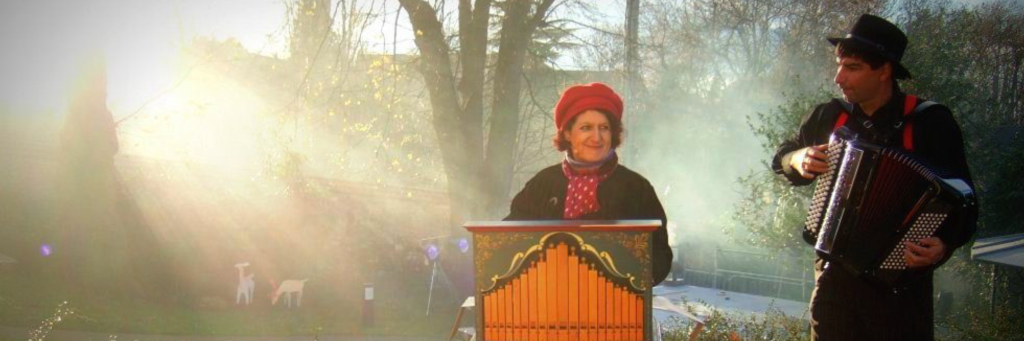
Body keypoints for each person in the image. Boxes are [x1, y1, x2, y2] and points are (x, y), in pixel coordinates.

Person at [771, 14, 978, 340]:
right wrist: (796, 159)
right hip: (833, 279)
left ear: (885, 71)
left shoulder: (930, 123)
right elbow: (782, 157)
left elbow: (965, 202)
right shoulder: (829, 114)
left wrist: (944, 245)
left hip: (901, 287)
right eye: (839, 65)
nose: (839, 77)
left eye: (852, 67)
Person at [505, 82, 673, 286]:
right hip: (548, 305)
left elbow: (660, 255)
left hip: (616, 307)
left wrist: (630, 282)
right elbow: (509, 241)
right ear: (567, 133)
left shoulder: (636, 187)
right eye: (586, 128)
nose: (597, 137)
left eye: (604, 128)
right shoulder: (543, 184)